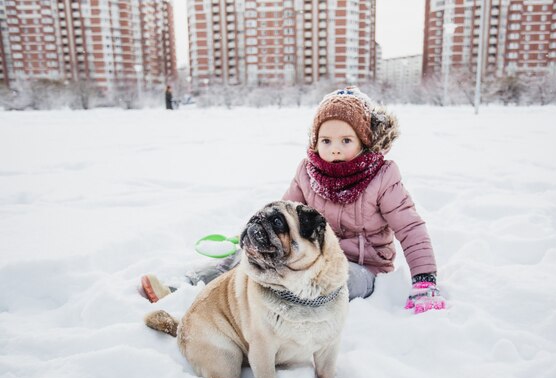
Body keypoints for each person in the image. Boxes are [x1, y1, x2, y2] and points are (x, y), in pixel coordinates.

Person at [141, 86, 443, 314]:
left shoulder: (383, 177)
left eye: (346, 141)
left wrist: (424, 279)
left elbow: (411, 229)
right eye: (326, 141)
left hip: (362, 268)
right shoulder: (307, 172)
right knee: (255, 256)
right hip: (310, 256)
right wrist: (254, 238)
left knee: (319, 279)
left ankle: (261, 305)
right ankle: (188, 286)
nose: (335, 149)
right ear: (315, 141)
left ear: (364, 142)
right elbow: (282, 212)